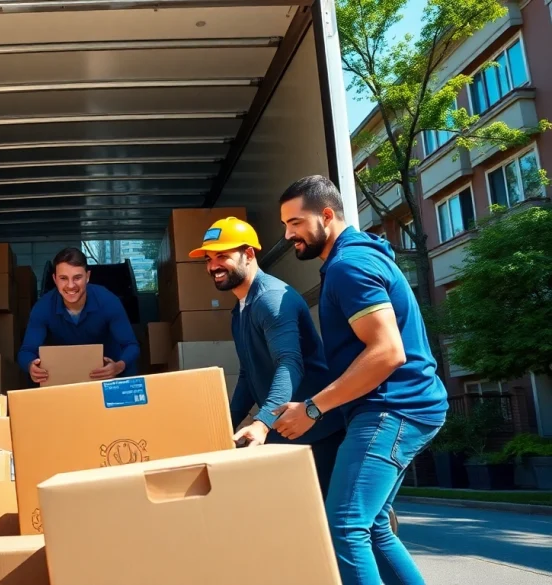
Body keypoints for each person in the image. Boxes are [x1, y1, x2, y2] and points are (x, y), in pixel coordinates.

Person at [273, 175, 447, 585]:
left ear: (327, 215)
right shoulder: (353, 259)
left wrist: (313, 408)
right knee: (374, 527)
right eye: (286, 225)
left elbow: (387, 352)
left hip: (393, 409)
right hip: (403, 407)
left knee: (346, 526)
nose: (288, 234)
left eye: (296, 223)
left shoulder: (350, 266)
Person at [188, 216, 346, 498]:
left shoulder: (271, 299)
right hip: (286, 432)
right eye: (209, 258)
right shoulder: (239, 311)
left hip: (317, 434)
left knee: (331, 527)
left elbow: (290, 363)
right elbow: (250, 374)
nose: (213, 266)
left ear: (248, 254)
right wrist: (224, 425)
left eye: (222, 255)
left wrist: (261, 422)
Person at [18, 247, 140, 384]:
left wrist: (118, 367)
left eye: (77, 277)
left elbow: (131, 345)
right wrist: (31, 366)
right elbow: (26, 351)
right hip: (64, 379)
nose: (71, 285)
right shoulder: (43, 307)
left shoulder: (108, 301)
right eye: (63, 278)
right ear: (55, 279)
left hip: (108, 376)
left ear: (87, 277)